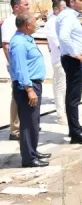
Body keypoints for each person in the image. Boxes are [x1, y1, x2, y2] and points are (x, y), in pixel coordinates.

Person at [9, 12, 50, 168]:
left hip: (33, 84)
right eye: (34, 22)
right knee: (28, 123)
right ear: (27, 25)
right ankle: (28, 158)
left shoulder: (26, 39)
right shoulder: (19, 43)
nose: (36, 24)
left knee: (34, 121)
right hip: (27, 87)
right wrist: (29, 89)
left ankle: (33, 151)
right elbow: (21, 69)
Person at [56, 0, 82, 145]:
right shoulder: (67, 17)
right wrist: (75, 54)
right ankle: (75, 133)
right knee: (73, 97)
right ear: (71, 2)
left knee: (75, 96)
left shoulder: (69, 16)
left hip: (74, 59)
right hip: (74, 61)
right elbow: (64, 37)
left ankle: (76, 126)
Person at [2, 0, 30, 141]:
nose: (28, 7)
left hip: (23, 65)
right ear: (16, 7)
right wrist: (14, 66)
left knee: (23, 95)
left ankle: (24, 124)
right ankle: (15, 129)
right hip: (16, 65)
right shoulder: (10, 23)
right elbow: (6, 46)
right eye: (26, 5)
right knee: (17, 96)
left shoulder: (21, 21)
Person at [44, 0, 67, 125]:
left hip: (66, 58)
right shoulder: (52, 22)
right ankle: (61, 115)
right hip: (60, 59)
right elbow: (58, 43)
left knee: (65, 87)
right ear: (56, 9)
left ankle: (66, 112)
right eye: (63, 9)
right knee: (60, 87)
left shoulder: (61, 20)